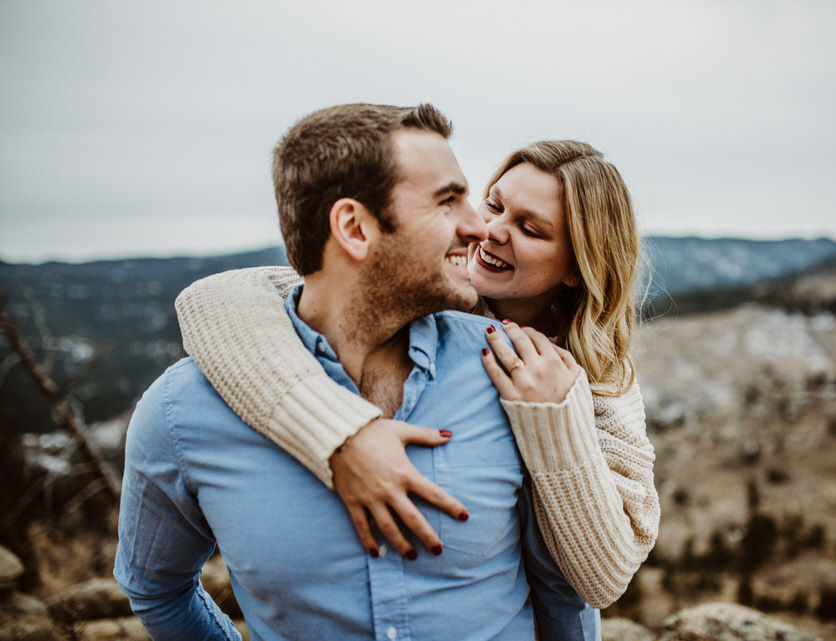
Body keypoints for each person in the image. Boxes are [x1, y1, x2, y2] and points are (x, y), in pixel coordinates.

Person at [114, 103, 597, 640]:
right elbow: (157, 588)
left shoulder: (519, 378)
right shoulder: (182, 414)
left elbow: (565, 594)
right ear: (354, 228)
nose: (479, 226)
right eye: (447, 201)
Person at [175, 140, 661, 607]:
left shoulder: (604, 377)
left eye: (530, 229)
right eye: (492, 206)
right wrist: (341, 432)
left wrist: (554, 421)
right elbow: (211, 301)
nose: (491, 231)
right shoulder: (429, 289)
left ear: (578, 267)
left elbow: (607, 577)